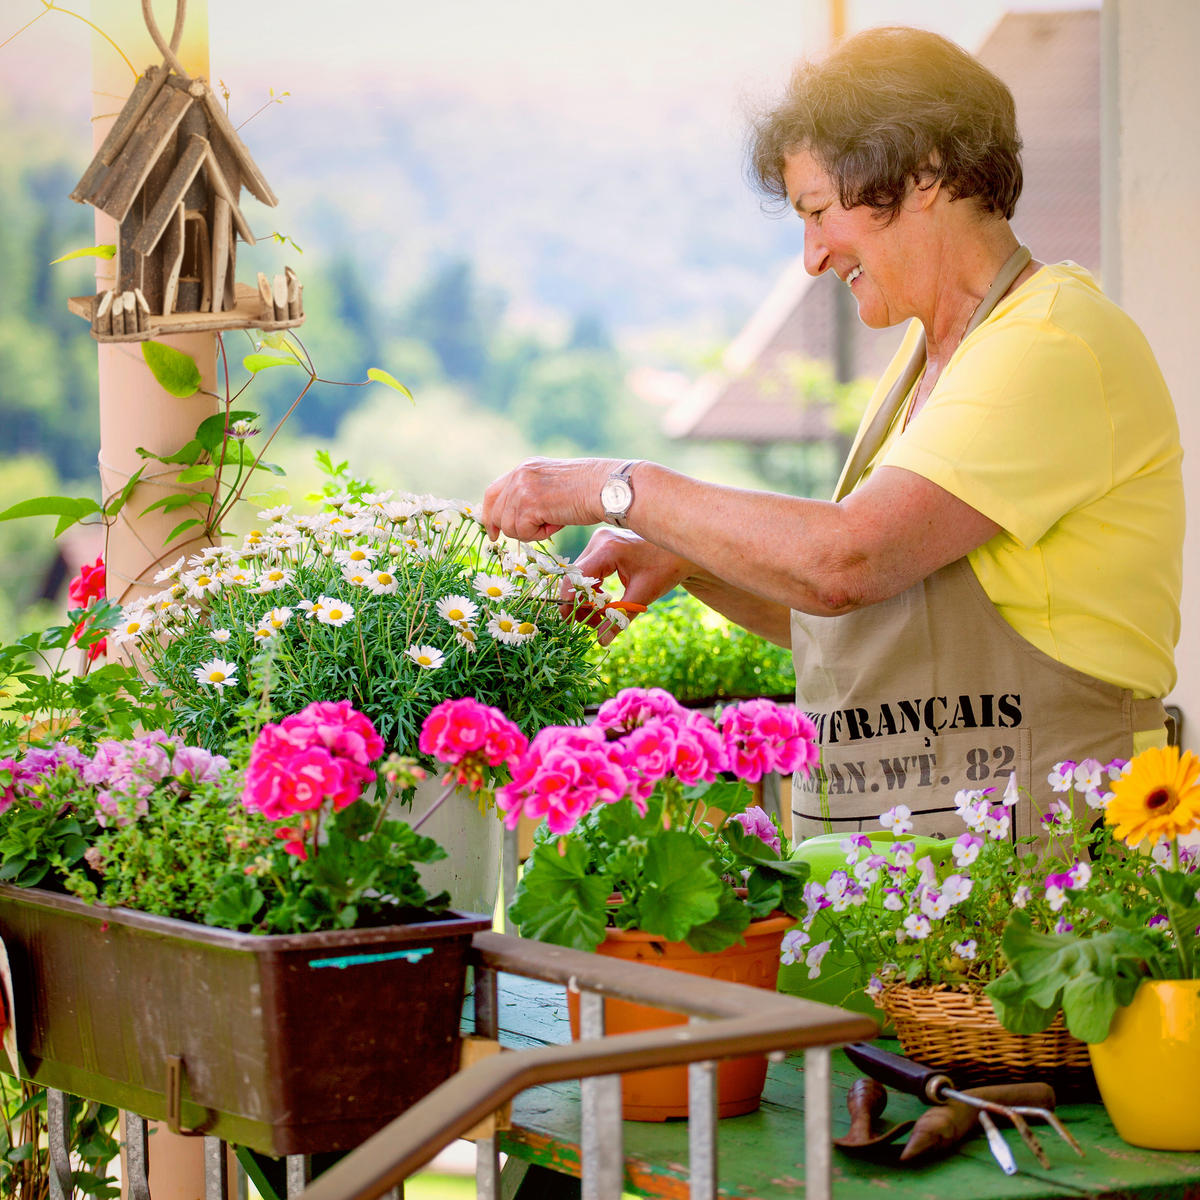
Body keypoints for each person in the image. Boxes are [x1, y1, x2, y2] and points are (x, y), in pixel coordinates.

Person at [481, 26, 1184, 841]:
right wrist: (682, 556)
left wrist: (617, 489)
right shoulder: (932, 360)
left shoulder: (1051, 343)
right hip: (908, 913)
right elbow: (860, 627)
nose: (812, 256)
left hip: (1048, 914)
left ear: (921, 173)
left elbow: (846, 562)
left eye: (818, 211)